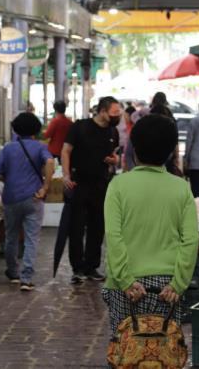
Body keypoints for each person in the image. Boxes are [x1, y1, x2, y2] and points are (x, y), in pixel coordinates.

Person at [102, 114, 199, 336]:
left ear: (134, 148)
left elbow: (113, 236)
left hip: (125, 285)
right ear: (170, 151)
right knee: (164, 349)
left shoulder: (118, 185)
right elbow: (191, 240)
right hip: (167, 286)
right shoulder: (181, 188)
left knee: (126, 349)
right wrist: (178, 283)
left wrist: (126, 281)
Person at [0, 113, 55, 291]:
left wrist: (8, 179)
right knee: (31, 238)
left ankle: (13, 272)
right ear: (36, 129)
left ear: (16, 129)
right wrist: (45, 187)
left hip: (11, 197)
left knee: (11, 236)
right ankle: (26, 278)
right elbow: (50, 162)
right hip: (34, 197)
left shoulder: (8, 148)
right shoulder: (40, 147)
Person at [62, 96, 121, 284]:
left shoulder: (113, 131)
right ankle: (77, 268)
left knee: (98, 227)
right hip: (79, 183)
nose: (117, 116)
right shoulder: (80, 127)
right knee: (76, 227)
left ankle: (91, 267)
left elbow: (115, 155)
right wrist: (66, 175)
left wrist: (114, 161)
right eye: (114, 113)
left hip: (101, 184)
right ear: (102, 111)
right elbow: (66, 151)